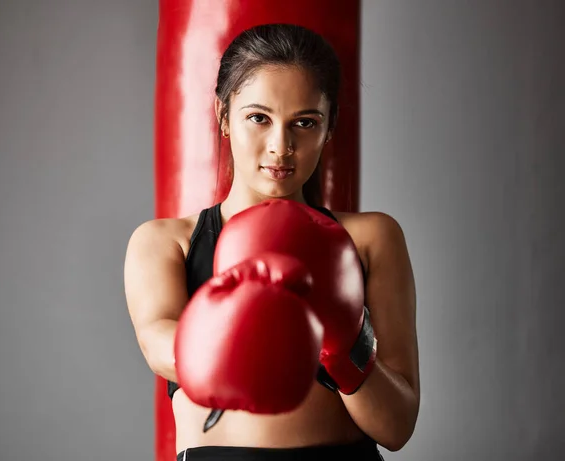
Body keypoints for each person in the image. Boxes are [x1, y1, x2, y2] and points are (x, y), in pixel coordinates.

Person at [124, 24, 419, 461]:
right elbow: (160, 347)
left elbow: (396, 427)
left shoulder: (370, 239)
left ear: (330, 126)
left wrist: (343, 347)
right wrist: (257, 319)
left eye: (305, 122)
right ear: (224, 117)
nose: (281, 146)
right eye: (258, 118)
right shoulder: (166, 243)